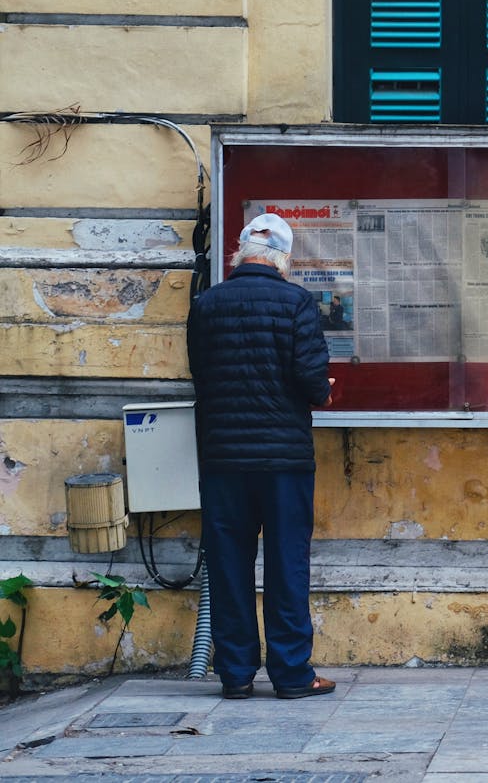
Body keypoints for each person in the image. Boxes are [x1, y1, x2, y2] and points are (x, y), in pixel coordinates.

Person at [186, 212, 336, 700]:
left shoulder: (206, 304)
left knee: (228, 565)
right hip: (283, 462)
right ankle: (292, 674)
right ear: (284, 260)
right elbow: (312, 383)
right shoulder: (297, 302)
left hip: (223, 459)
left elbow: (202, 376)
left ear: (240, 254)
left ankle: (235, 675)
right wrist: (325, 391)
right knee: (286, 563)